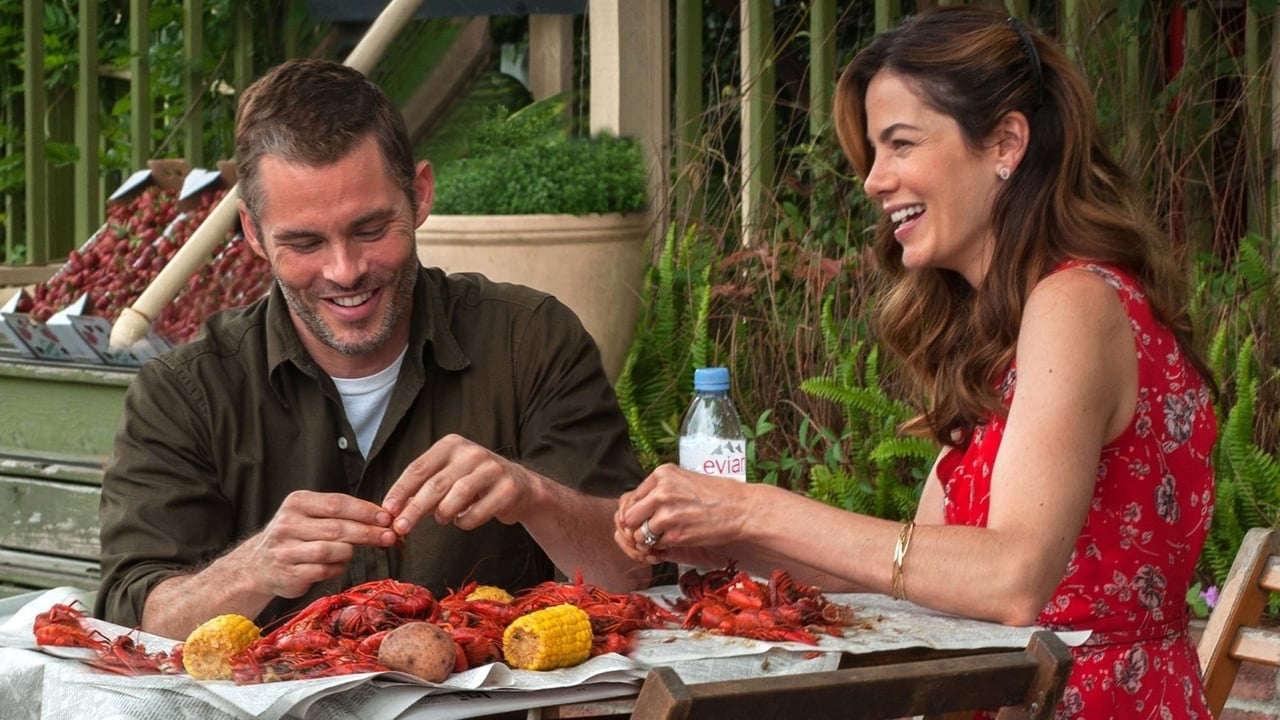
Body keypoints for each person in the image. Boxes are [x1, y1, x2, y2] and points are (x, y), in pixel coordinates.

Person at [614, 6, 1216, 717]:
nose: (874, 180)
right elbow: (917, 569)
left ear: (1006, 143)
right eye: (874, 153)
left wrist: (753, 506)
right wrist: (726, 538)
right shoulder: (1010, 330)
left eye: (900, 144)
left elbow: (1013, 577)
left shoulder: (1075, 304)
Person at [96, 57, 654, 641]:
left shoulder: (531, 341)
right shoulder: (183, 393)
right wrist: (250, 569)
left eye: (370, 230)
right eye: (305, 243)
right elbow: (131, 620)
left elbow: (632, 573)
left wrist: (535, 496)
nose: (345, 271)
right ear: (254, 233)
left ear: (420, 195)